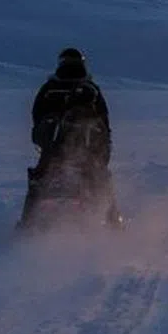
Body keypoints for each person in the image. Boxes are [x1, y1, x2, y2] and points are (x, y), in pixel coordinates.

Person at [18, 47, 122, 229]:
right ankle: (113, 222)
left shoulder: (51, 89)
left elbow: (37, 117)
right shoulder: (87, 90)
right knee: (101, 178)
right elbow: (105, 125)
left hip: (63, 149)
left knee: (39, 179)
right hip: (79, 150)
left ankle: (28, 223)